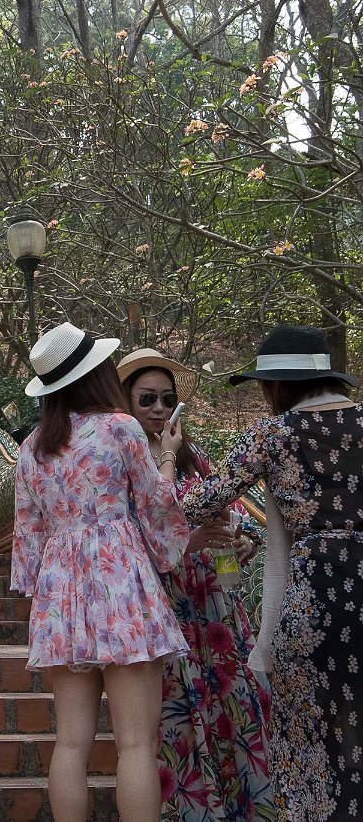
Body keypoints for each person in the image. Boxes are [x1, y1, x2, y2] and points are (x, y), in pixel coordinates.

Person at [183, 325, 362, 821]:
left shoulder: (272, 435)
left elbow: (198, 504)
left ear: (278, 385)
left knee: (307, 742)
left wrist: (170, 454)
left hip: (315, 598)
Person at [12, 322, 189, 822]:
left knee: (70, 743)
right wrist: (168, 460)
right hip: (120, 584)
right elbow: (156, 506)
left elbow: (27, 537)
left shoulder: (32, 448)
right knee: (136, 744)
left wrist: (40, 598)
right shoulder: (120, 429)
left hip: (59, 592)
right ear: (98, 374)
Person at [117, 349, 275, 821]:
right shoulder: (121, 461)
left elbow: (234, 510)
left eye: (168, 399)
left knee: (236, 709)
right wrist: (187, 542)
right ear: (126, 401)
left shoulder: (192, 457)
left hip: (216, 607)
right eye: (147, 398)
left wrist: (245, 540)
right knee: (179, 720)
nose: (159, 409)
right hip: (164, 609)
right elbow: (126, 543)